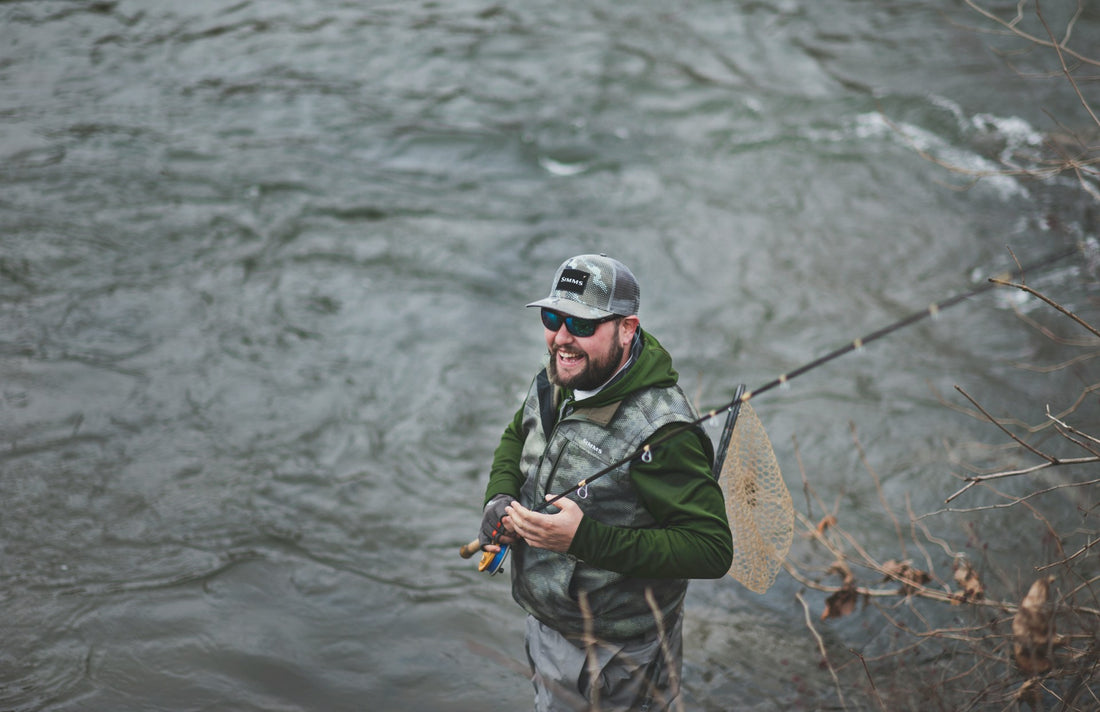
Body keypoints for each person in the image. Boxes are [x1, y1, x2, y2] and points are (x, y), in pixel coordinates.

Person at [477, 253, 733, 712]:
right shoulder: (563, 370)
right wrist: (499, 496)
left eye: (581, 324)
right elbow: (519, 433)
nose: (562, 337)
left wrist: (584, 538)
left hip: (619, 652)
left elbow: (711, 549)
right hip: (548, 620)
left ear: (627, 328)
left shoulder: (664, 432)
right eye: (553, 318)